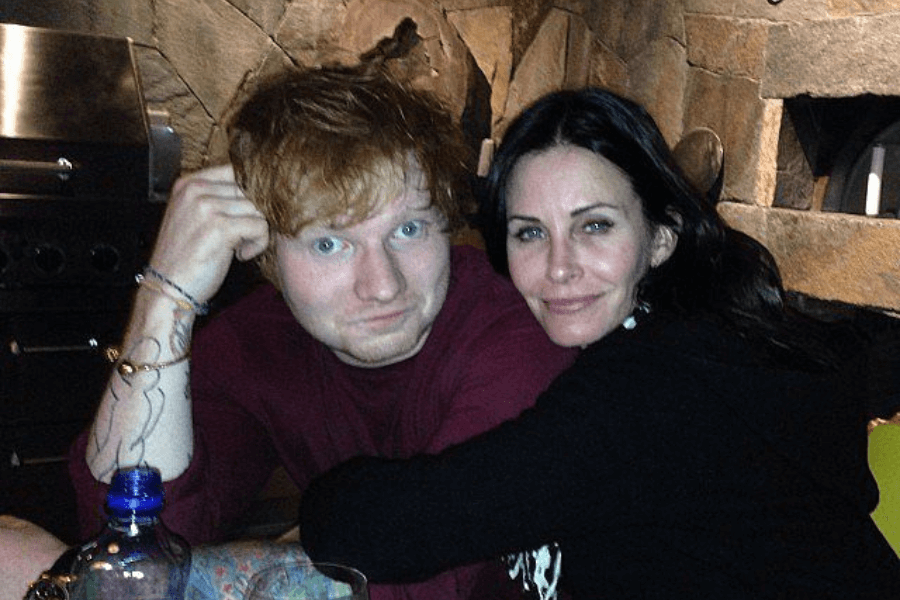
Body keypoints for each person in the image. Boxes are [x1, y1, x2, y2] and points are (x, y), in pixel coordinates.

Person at [297, 87, 900, 599]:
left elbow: (374, 530)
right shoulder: (702, 338)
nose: (559, 268)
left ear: (661, 239)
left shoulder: (653, 393)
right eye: (530, 232)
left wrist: (315, 499)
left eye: (594, 226)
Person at [67, 64, 577, 600]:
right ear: (266, 254)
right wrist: (164, 297)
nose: (383, 286)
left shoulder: (511, 335)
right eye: (329, 243)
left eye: (408, 229)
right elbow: (127, 553)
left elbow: (432, 581)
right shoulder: (257, 342)